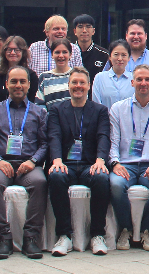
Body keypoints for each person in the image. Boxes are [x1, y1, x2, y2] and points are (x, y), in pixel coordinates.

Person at [0, 65, 49, 260]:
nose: (18, 85)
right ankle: (3, 237)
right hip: (1, 164)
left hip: (28, 165)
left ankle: (31, 238)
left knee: (40, 182)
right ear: (6, 84)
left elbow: (45, 143)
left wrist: (33, 161)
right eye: (14, 81)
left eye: (22, 81)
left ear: (29, 85)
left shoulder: (39, 112)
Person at [108, 64, 149, 252]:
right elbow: (113, 141)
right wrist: (115, 163)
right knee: (115, 185)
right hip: (125, 165)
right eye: (139, 79)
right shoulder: (117, 109)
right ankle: (126, 229)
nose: (143, 83)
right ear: (132, 82)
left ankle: (145, 229)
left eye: (147, 79)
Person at [48, 69, 112, 256]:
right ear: (68, 85)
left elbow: (103, 136)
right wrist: (56, 159)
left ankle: (97, 235)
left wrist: (100, 160)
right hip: (65, 164)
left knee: (101, 177)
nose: (78, 86)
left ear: (89, 86)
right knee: (56, 176)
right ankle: (64, 236)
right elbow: (54, 136)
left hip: (89, 164)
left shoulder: (100, 110)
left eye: (82, 83)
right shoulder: (56, 110)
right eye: (74, 82)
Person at [0, 35, 40, 107]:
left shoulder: (31, 76)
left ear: (23, 52)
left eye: (17, 50)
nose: (13, 53)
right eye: (9, 49)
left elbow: (32, 100)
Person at [92, 39, 134, 108]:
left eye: (123, 55)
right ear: (110, 57)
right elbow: (96, 104)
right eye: (116, 54)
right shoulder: (100, 78)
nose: (120, 59)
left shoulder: (134, 79)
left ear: (129, 58)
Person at [35, 38, 74, 109]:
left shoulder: (76, 75)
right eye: (57, 52)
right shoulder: (44, 77)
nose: (61, 56)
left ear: (70, 55)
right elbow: (39, 105)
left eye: (64, 52)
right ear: (52, 54)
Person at [73, 14, 109, 80]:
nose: (84, 30)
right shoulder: (68, 52)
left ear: (93, 31)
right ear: (75, 31)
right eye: (80, 27)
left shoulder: (104, 55)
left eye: (88, 27)